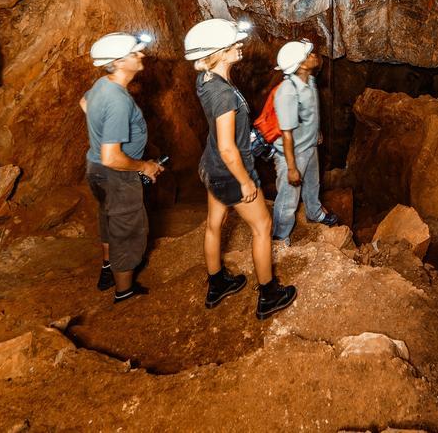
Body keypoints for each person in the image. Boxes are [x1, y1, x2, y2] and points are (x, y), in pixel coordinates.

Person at [185, 18, 297, 320]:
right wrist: (245, 181)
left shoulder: (207, 81)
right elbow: (226, 146)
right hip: (228, 170)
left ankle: (217, 283)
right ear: (217, 53)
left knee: (214, 224)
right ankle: (269, 295)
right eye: (232, 44)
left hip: (211, 168)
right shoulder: (222, 94)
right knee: (262, 227)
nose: (239, 46)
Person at [80, 32, 164, 303]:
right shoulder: (117, 99)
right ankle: (124, 293)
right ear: (117, 62)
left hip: (95, 169)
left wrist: (100, 128)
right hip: (116, 174)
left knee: (108, 218)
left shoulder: (102, 84)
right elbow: (112, 157)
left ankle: (108, 270)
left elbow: (85, 103)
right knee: (127, 231)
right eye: (134, 53)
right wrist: (144, 167)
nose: (141, 55)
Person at [271, 39, 339, 246]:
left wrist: (315, 131)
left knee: (313, 184)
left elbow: (309, 112)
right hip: (292, 153)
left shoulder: (309, 80)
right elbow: (287, 134)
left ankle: (315, 212)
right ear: (300, 65)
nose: (313, 56)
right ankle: (280, 237)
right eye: (308, 55)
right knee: (288, 199)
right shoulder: (287, 92)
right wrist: (291, 168)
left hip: (308, 147)